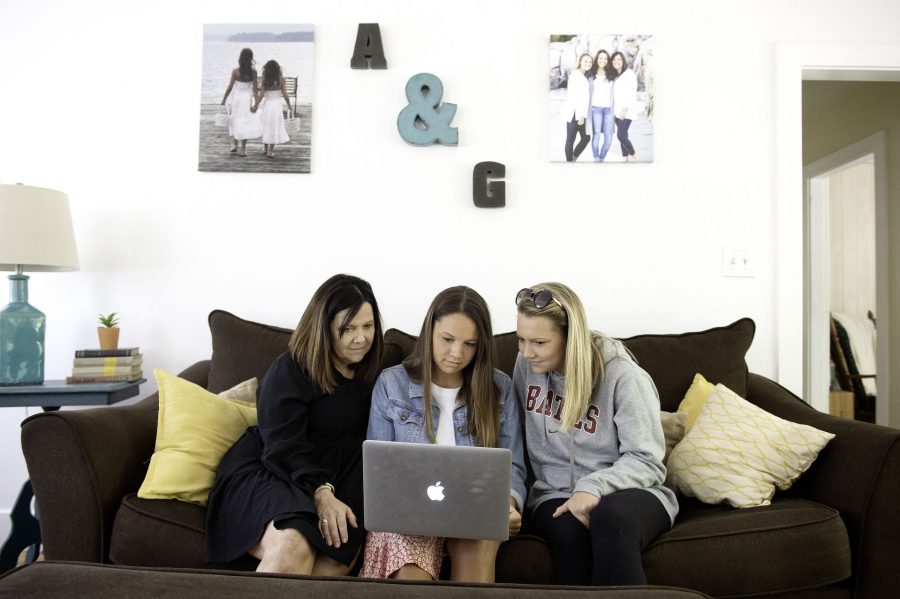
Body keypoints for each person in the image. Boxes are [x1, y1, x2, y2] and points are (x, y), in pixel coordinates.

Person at [206, 274, 385, 575]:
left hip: (343, 481)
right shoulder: (291, 369)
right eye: (348, 328)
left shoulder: (377, 375)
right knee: (293, 543)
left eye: (368, 326)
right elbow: (282, 444)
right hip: (276, 469)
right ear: (323, 329)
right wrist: (322, 492)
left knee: (334, 561)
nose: (361, 338)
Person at [513, 283, 678, 586]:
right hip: (555, 492)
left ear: (570, 338)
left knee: (611, 519)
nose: (526, 352)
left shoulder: (623, 377)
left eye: (538, 342)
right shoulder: (525, 367)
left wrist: (592, 487)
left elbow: (647, 461)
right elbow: (514, 441)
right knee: (568, 531)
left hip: (630, 491)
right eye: (520, 339)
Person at [361, 286, 526, 582]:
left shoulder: (499, 389)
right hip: (408, 517)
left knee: (477, 555)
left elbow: (512, 466)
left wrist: (508, 505)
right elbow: (377, 470)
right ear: (429, 332)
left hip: (473, 510)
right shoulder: (392, 383)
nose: (456, 354)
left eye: (469, 344)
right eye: (447, 340)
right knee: (412, 576)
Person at [220, 48, 262, 157]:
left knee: (235, 119)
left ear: (241, 57)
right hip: (246, 99)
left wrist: (224, 99)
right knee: (245, 122)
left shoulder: (235, 71)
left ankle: (235, 144)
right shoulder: (253, 72)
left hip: (236, 98)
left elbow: (230, 87)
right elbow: (254, 90)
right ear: (251, 58)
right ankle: (243, 149)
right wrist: (256, 104)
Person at [253, 59, 292, 158]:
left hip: (267, 105)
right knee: (275, 126)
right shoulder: (281, 80)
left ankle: (265, 148)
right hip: (277, 106)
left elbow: (261, 95)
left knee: (266, 125)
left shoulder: (265, 80)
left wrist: (255, 105)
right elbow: (285, 94)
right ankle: (270, 150)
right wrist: (289, 105)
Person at [562, 53, 593, 162]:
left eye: (590, 62)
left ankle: (573, 158)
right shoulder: (576, 75)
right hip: (575, 113)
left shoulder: (584, 75)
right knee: (571, 139)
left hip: (579, 113)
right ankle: (570, 161)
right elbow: (576, 97)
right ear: (580, 62)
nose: (588, 63)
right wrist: (580, 116)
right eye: (585, 61)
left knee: (585, 138)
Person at [588, 50, 616, 162]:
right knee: (597, 135)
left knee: (608, 139)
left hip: (609, 110)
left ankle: (602, 158)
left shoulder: (612, 74)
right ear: (597, 59)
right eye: (601, 58)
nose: (603, 60)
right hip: (595, 109)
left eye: (605, 58)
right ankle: (596, 159)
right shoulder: (590, 75)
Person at [611, 52, 639, 163]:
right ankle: (624, 156)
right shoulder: (615, 75)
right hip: (616, 110)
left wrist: (625, 108)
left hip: (626, 110)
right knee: (624, 133)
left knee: (621, 135)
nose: (616, 62)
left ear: (623, 61)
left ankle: (632, 153)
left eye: (619, 60)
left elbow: (631, 92)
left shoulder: (629, 74)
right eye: (614, 60)